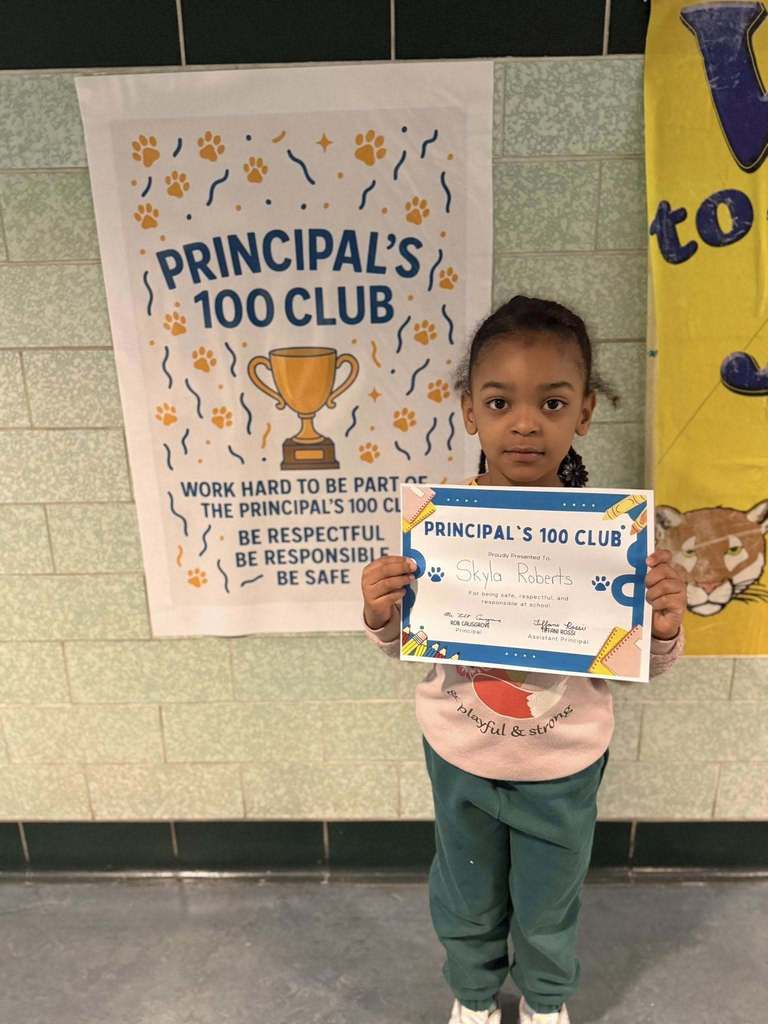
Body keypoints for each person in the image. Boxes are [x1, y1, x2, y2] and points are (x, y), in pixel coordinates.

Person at [360, 296, 686, 1024]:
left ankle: (544, 1002)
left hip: (562, 759)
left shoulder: (613, 535)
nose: (526, 421)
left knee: (549, 898)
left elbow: (638, 666)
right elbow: (406, 644)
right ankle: (473, 997)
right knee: (465, 889)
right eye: (501, 401)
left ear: (586, 412)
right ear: (470, 411)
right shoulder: (439, 530)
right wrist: (381, 613)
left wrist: (662, 624)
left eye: (554, 401)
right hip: (461, 748)